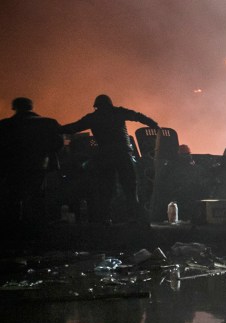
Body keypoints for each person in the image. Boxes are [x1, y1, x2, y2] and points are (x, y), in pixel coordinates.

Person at [61, 94, 157, 224]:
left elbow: (73, 127)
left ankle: (105, 220)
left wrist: (55, 128)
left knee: (107, 190)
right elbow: (138, 116)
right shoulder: (119, 112)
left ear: (96, 107)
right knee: (130, 189)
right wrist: (154, 125)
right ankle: (135, 218)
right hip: (123, 154)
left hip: (106, 156)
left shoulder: (93, 117)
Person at [0, 97, 63, 229]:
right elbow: (58, 143)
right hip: (40, 165)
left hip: (13, 166)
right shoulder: (48, 122)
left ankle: (13, 226)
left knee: (13, 195)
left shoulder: (5, 125)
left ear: (14, 107)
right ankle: (38, 225)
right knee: (38, 194)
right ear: (31, 107)